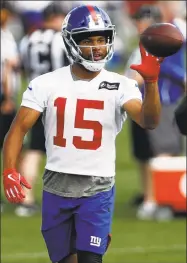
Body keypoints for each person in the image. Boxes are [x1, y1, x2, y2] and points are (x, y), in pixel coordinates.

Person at [2, 5, 163, 263]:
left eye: (102, 39)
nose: (97, 46)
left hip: (97, 187)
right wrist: (9, 169)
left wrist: (152, 84)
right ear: (71, 41)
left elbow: (149, 120)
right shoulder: (46, 83)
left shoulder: (122, 84)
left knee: (90, 259)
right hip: (56, 185)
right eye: (88, 40)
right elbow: (18, 129)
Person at [125, 4, 186, 220]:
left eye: (142, 19)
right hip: (141, 103)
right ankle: (149, 196)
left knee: (163, 153)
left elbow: (163, 69)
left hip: (162, 102)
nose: (137, 23)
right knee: (146, 153)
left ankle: (160, 200)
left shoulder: (163, 40)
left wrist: (124, 87)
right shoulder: (147, 41)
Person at [15, 2, 70, 217]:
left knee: (34, 150)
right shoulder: (62, 39)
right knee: (65, 150)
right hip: (60, 100)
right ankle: (65, 198)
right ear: (57, 17)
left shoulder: (27, 39)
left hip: (34, 98)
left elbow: (22, 68)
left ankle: (25, 199)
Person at [0, 1, 20, 212]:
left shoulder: (6, 35)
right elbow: (7, 67)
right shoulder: (5, 38)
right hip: (2, 96)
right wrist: (7, 98)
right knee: (10, 142)